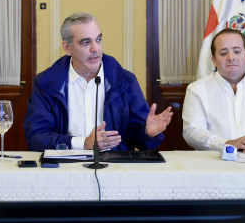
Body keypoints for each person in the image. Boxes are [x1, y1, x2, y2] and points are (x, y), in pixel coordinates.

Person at [24, 12, 173, 152]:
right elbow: (36, 137)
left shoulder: (125, 81)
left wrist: (147, 132)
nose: (95, 48)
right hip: (65, 165)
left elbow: (138, 140)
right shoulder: (46, 83)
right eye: (85, 42)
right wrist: (83, 143)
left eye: (98, 40)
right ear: (68, 48)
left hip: (114, 166)